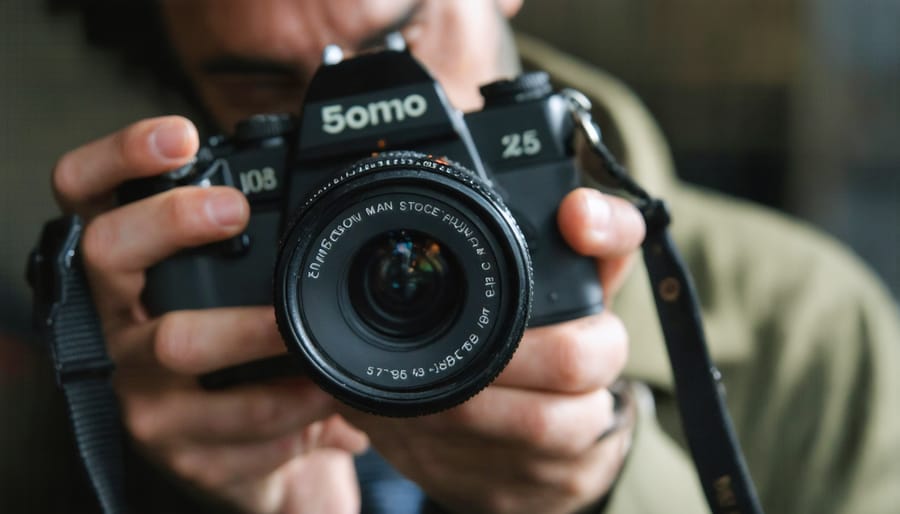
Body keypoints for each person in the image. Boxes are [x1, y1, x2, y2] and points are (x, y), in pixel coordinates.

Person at [6, 1, 900, 513]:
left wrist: (601, 493)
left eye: (402, 40)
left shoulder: (813, 328)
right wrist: (144, 468)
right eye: (261, 87)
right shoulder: (137, 359)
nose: (356, 110)